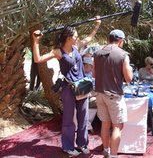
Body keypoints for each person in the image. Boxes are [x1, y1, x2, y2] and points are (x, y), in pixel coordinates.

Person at [32, 17, 101, 156]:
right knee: (69, 119)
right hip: (68, 88)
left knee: (84, 117)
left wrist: (97, 25)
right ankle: (68, 146)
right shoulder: (58, 52)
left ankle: (82, 144)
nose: (77, 37)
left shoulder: (76, 47)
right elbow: (37, 59)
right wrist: (35, 41)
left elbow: (89, 38)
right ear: (69, 37)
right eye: (75, 35)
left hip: (82, 86)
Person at [93, 29, 133, 158]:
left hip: (99, 94)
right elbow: (129, 78)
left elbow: (94, 74)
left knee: (105, 124)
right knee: (117, 126)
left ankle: (106, 150)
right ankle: (114, 156)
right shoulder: (123, 55)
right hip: (114, 95)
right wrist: (130, 69)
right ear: (120, 41)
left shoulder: (97, 53)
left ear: (109, 39)